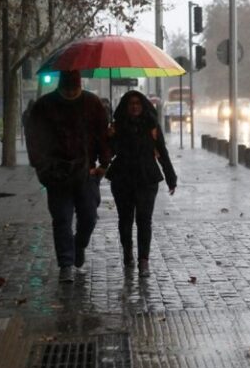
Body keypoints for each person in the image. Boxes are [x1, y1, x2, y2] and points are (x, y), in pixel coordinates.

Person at [27, 70, 111, 283]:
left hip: (86, 171)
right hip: (57, 173)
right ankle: (66, 263)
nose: (72, 93)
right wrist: (42, 166)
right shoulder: (44, 106)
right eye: (68, 89)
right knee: (62, 218)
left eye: (75, 89)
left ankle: (78, 246)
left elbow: (102, 134)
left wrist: (104, 163)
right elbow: (34, 138)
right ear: (61, 87)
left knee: (89, 216)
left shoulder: (92, 103)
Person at [106, 90, 176, 277]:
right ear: (125, 107)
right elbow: (109, 153)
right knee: (125, 219)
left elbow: (162, 151)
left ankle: (143, 260)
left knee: (144, 219)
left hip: (147, 178)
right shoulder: (117, 126)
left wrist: (171, 177)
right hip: (122, 178)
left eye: (138, 103)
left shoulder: (151, 126)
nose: (135, 106)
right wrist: (110, 136)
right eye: (131, 103)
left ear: (143, 105)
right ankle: (127, 251)